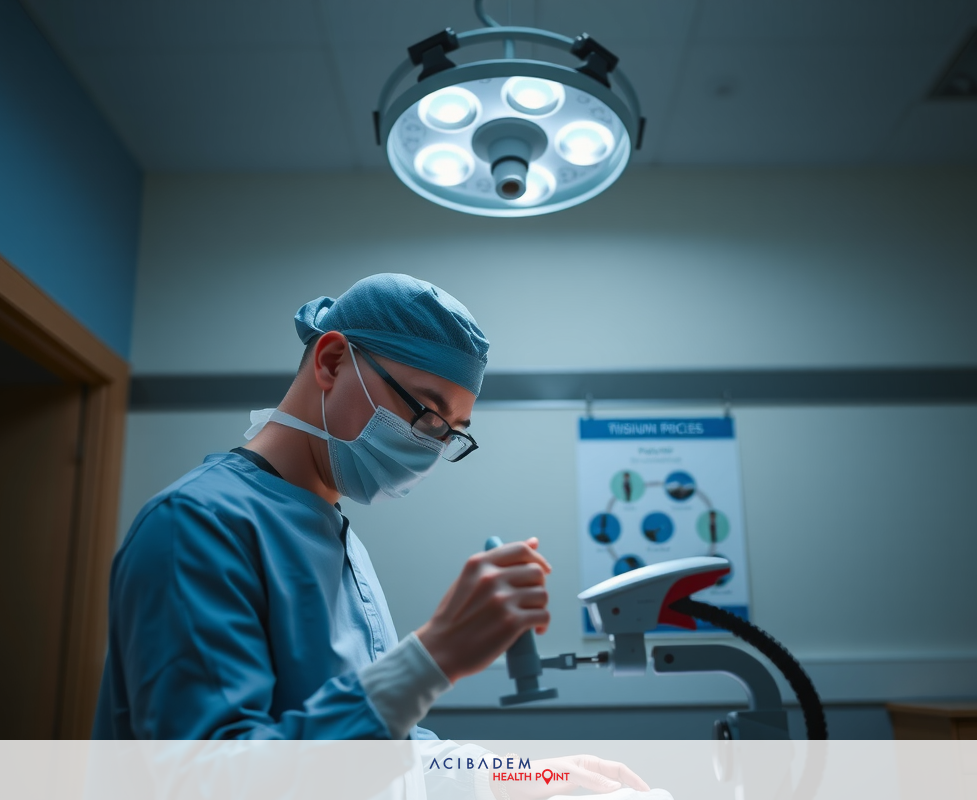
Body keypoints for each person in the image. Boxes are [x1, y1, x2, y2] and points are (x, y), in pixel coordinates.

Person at [93, 274, 647, 796]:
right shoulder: (195, 527)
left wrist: (520, 777)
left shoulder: (333, 535)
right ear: (332, 361)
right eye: (427, 412)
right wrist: (431, 659)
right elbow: (211, 782)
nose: (431, 445)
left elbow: (374, 751)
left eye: (452, 433)